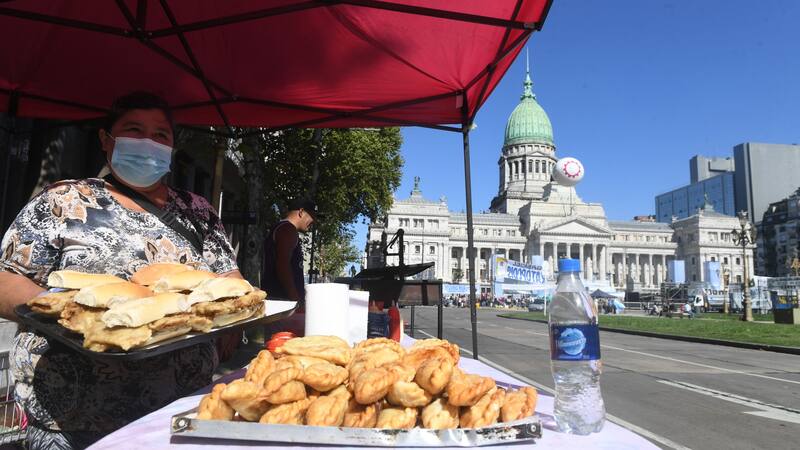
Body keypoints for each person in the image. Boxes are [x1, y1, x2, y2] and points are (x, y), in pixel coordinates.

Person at [0, 92, 242, 449]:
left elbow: (232, 286)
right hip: (69, 419)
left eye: (161, 135)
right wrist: (68, 311)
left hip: (176, 415)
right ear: (105, 140)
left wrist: (227, 329)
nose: (148, 142)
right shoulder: (64, 199)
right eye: (133, 129)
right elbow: (6, 278)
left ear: (173, 147)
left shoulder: (199, 212)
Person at [261, 198, 317, 304]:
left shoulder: (280, 228)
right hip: (282, 302)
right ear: (301, 212)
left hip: (277, 298)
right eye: (312, 216)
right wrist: (296, 300)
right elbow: (283, 266)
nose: (314, 221)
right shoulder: (288, 229)